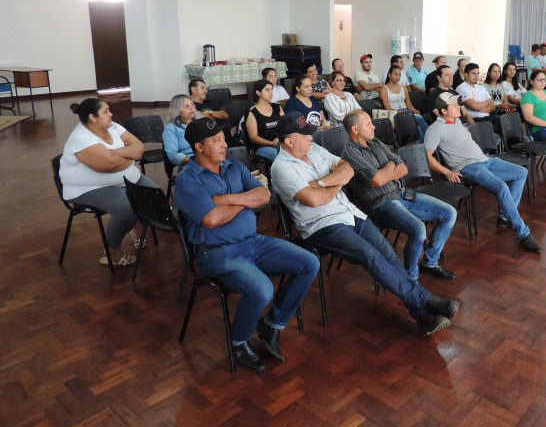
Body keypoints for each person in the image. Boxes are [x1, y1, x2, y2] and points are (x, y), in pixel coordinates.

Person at [271, 112, 460, 336]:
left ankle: (422, 317)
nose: (311, 138)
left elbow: (347, 170)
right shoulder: (281, 167)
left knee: (388, 255)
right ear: (289, 141)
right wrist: (336, 183)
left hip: (350, 214)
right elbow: (314, 200)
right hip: (322, 226)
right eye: (305, 136)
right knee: (370, 255)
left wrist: (321, 183)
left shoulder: (315, 150)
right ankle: (424, 299)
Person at [174, 117, 319, 371]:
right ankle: (238, 342)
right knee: (262, 290)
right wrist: (245, 200)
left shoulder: (234, 167)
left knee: (309, 262)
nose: (224, 144)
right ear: (199, 147)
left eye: (223, 138)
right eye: (216, 140)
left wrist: (225, 199)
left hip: (253, 242)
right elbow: (210, 219)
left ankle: (272, 324)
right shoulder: (188, 179)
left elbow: (263, 194)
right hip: (217, 252)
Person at [341, 110, 457, 280]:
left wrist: (386, 173)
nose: (373, 126)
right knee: (418, 229)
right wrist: (389, 165)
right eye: (368, 124)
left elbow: (403, 166)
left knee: (449, 213)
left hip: (401, 194)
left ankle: (429, 263)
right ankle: (411, 278)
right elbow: (377, 181)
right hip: (380, 203)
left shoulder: (376, 143)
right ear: (355, 129)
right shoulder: (350, 153)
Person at [424, 93, 540, 252]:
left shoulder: (457, 121)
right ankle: (523, 233)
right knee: (500, 187)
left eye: (457, 104)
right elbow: (427, 156)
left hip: (485, 160)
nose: (458, 106)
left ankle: (505, 216)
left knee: (520, 172)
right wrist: (447, 171)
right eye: (453, 105)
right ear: (443, 111)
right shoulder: (435, 128)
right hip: (468, 167)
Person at [59, 98, 159, 267]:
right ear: (92, 117)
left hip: (128, 178)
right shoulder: (81, 138)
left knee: (154, 197)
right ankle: (113, 251)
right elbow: (109, 165)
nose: (111, 114)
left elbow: (139, 147)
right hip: (90, 188)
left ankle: (136, 229)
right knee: (127, 208)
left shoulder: (112, 126)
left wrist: (117, 152)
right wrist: (130, 157)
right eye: (105, 111)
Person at [379, 65, 428, 139]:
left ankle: (428, 140)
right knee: (417, 128)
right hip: (394, 114)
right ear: (389, 74)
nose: (398, 77)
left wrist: (414, 110)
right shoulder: (384, 89)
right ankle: (423, 144)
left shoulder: (403, 87)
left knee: (420, 117)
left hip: (406, 112)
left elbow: (408, 104)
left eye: (399, 75)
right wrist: (403, 113)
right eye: (395, 74)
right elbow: (387, 109)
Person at [245, 79, 284, 161]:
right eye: (267, 90)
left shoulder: (277, 107)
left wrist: (282, 137)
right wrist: (272, 144)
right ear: (258, 92)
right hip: (264, 147)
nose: (271, 92)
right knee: (283, 157)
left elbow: (287, 125)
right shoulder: (253, 112)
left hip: (281, 142)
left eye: (271, 89)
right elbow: (253, 137)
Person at [456, 62, 501, 134]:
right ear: (466, 75)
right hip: (475, 120)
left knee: (505, 124)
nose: (476, 76)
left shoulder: (481, 87)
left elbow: (492, 106)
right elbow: (475, 106)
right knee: (494, 131)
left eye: (478, 73)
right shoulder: (462, 88)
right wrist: (486, 103)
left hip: (488, 118)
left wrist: (480, 107)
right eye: (473, 73)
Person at [163, 94, 196, 168]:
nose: (191, 108)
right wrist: (197, 161)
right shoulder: (171, 128)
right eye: (186, 106)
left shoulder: (200, 121)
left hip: (208, 160)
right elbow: (173, 155)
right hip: (189, 164)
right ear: (177, 111)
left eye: (192, 104)